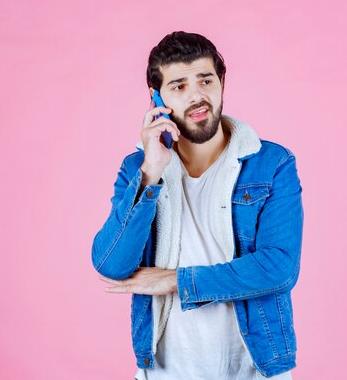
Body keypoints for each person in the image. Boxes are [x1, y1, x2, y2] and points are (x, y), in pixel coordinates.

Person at [91, 31, 304, 379]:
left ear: (221, 81)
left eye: (205, 80)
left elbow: (279, 267)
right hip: (164, 371)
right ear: (156, 97)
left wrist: (178, 281)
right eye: (179, 86)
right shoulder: (138, 169)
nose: (196, 96)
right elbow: (111, 264)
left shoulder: (270, 163)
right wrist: (151, 173)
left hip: (255, 369)